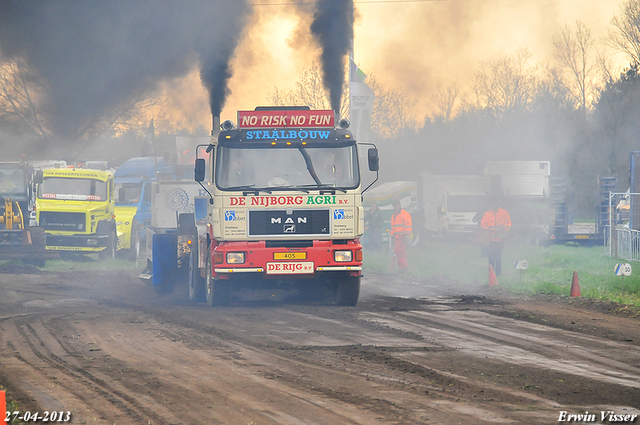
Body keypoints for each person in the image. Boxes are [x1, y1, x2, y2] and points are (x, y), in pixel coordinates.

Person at [480, 198, 511, 276]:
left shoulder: (504, 213)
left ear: (499, 203)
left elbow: (508, 225)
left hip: (501, 240)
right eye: (492, 202)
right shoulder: (486, 214)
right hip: (490, 240)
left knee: (498, 258)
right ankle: (491, 274)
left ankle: (498, 274)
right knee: (491, 258)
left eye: (496, 202)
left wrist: (502, 229)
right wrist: (490, 230)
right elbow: (482, 226)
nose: (494, 204)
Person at [390, 200, 412, 271]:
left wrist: (407, 235)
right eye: (394, 206)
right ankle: (402, 267)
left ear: (399, 205)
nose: (395, 207)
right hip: (397, 237)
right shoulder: (394, 215)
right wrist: (392, 236)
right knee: (399, 251)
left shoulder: (404, 214)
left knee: (398, 251)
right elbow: (393, 227)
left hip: (402, 236)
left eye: (396, 205)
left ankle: (403, 267)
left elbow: (408, 225)